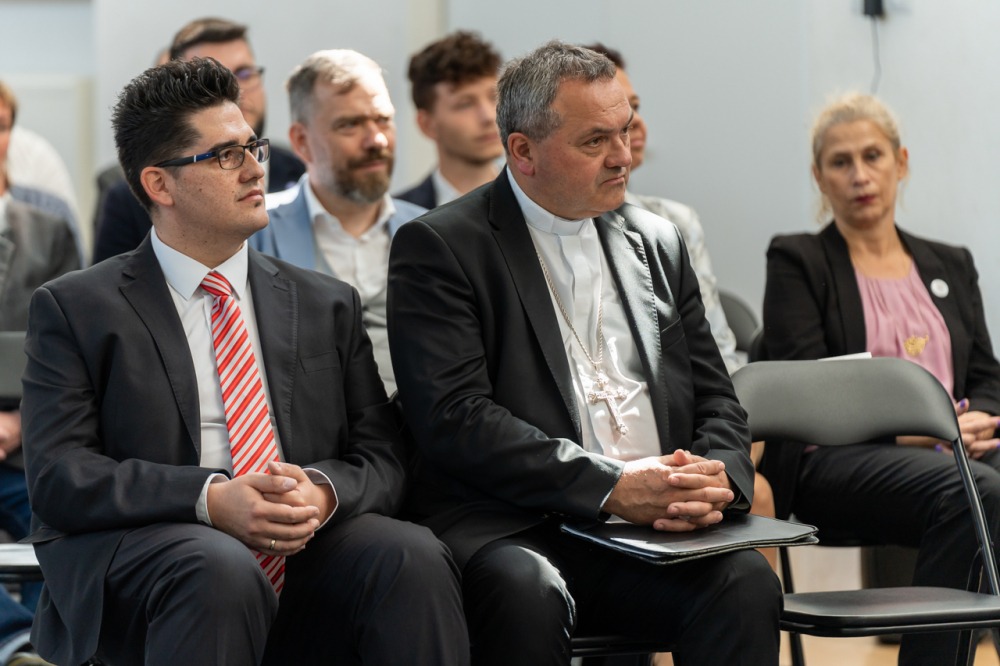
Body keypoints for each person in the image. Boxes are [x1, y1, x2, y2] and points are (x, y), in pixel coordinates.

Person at [21, 58, 468, 666]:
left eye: (252, 147)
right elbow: (60, 476)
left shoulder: (325, 302)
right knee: (216, 565)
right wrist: (210, 498)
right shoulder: (76, 307)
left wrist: (321, 492)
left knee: (409, 554)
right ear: (159, 185)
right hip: (155, 556)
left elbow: (381, 456)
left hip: (304, 549)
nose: (257, 168)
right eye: (226, 156)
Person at [387, 41, 780, 666]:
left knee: (744, 579)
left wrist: (717, 478)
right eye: (595, 141)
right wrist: (611, 486)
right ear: (523, 151)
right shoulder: (441, 245)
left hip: (655, 526)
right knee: (528, 590)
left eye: (625, 130)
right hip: (519, 527)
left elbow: (716, 395)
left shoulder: (657, 240)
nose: (623, 156)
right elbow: (455, 418)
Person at [760, 92, 1000, 665]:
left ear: (901, 162)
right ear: (819, 177)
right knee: (975, 489)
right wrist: (925, 433)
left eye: (873, 156)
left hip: (955, 451)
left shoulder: (951, 262)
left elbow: (986, 374)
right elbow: (808, 392)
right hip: (836, 462)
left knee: (980, 484)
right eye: (840, 162)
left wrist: (974, 421)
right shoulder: (798, 260)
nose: (859, 175)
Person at [249, 50, 424, 395]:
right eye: (350, 125)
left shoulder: (430, 233)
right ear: (301, 141)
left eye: (383, 120)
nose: (376, 140)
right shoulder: (253, 232)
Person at [92, 17, 305, 264]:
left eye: (245, 73)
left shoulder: (300, 169)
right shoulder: (126, 198)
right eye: (225, 155)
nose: (237, 90)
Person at [0, 80, 78, 666]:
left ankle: (47, 643)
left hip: (31, 441)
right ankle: (19, 642)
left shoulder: (49, 231)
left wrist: (18, 422)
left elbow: (71, 351)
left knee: (65, 515)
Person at [396, 31, 503, 208]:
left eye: (494, 97)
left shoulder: (539, 201)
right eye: (465, 104)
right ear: (427, 125)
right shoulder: (400, 215)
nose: (489, 117)